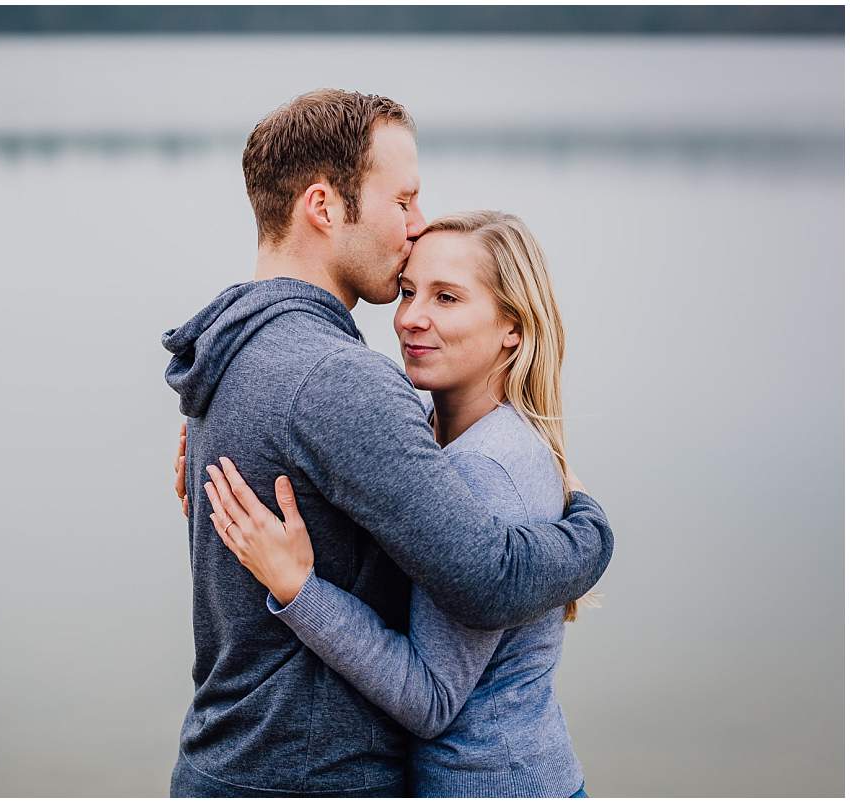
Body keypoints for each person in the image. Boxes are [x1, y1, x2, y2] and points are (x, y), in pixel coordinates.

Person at [161, 89, 613, 797]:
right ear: (324, 207)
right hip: (311, 777)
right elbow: (486, 578)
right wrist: (590, 528)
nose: (417, 220)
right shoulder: (339, 380)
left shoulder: (228, 353)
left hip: (223, 759)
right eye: (401, 201)